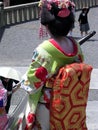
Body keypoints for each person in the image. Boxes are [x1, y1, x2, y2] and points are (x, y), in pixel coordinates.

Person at [22, 0, 90, 129]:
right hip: (70, 105)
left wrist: (23, 79)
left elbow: (32, 84)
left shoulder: (44, 50)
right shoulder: (76, 46)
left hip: (50, 106)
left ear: (46, 25)